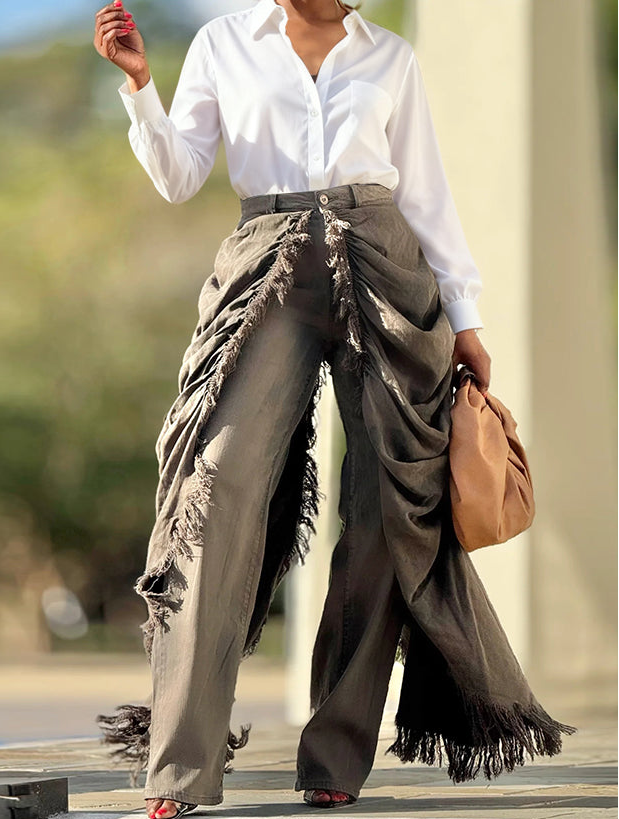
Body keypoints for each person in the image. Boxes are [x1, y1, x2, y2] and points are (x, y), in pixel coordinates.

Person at [93, 0, 575, 815]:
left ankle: (335, 755)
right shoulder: (222, 44)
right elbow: (180, 177)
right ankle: (181, 767)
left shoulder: (387, 55)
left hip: (384, 258)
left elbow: (425, 193)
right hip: (263, 262)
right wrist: (141, 85)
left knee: (392, 502)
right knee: (216, 488)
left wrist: (465, 317)